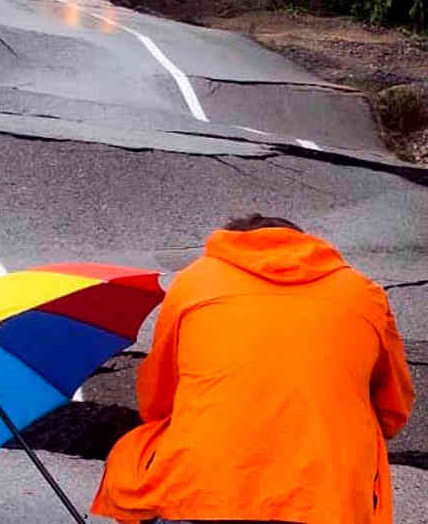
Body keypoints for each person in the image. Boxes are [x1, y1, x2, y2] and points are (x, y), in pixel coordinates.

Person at [91, 214, 415, 524]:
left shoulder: (194, 281)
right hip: (329, 497)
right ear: (306, 245)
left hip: (202, 490)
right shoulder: (363, 293)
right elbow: (393, 410)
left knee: (132, 457)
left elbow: (159, 399)